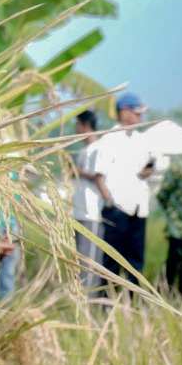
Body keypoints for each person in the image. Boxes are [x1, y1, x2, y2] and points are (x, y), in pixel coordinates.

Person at [92, 92, 161, 287]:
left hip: (139, 208)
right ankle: (107, 300)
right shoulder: (109, 139)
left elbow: (145, 171)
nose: (140, 117)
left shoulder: (142, 140)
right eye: (137, 113)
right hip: (117, 209)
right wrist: (110, 202)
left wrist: (149, 168)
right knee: (112, 262)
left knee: (136, 262)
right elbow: (99, 176)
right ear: (124, 112)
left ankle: (132, 300)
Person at [71, 110, 105, 292]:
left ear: (85, 125)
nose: (75, 129)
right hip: (79, 211)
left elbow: (98, 177)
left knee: (90, 263)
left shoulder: (98, 149)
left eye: (77, 124)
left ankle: (89, 300)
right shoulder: (83, 151)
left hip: (92, 213)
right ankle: (80, 297)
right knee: (79, 261)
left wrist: (78, 172)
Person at [157, 155, 182, 296]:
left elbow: (162, 195)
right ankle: (164, 295)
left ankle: (179, 297)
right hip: (178, 226)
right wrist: (173, 213)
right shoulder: (178, 166)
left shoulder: (178, 165)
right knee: (174, 263)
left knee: (179, 265)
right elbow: (162, 194)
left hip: (177, 224)